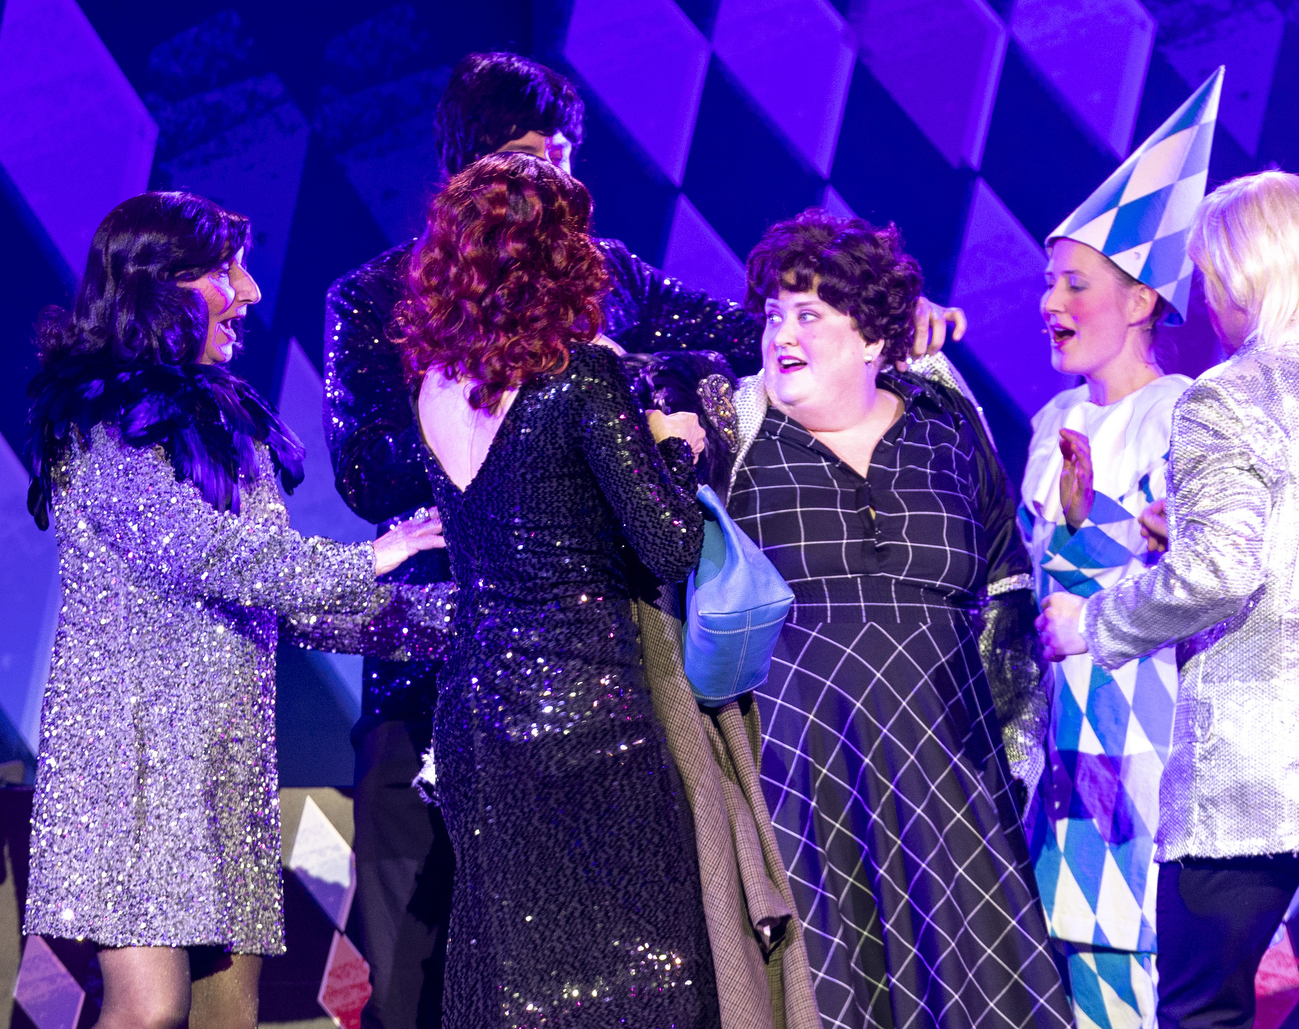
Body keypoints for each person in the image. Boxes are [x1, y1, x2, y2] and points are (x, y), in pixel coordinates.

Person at [322, 51, 964, 1028]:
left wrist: (863, 312)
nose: (554, 180)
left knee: (607, 956)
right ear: (467, 168)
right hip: (442, 670)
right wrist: (541, 416)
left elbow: (744, 335)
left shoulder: (607, 280)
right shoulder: (378, 301)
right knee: (439, 961)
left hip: (609, 662)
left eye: (564, 157)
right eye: (529, 158)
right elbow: (366, 475)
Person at [1036, 171, 1299, 1029]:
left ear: (1242, 274)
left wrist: (1094, 623)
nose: (1205, 297)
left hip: (1254, 776)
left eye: (1209, 274)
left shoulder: (1224, 398)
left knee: (1204, 1016)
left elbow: (1220, 575)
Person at [21, 192, 449, 1029]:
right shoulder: (99, 421)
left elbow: (282, 596)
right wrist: (369, 556)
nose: (250, 292)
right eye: (226, 271)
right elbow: (200, 550)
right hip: (133, 766)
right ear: (158, 284)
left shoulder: (229, 423)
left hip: (225, 763)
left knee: (229, 1017)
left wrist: (460, 619)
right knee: (149, 1012)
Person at [721, 209, 1073, 1028]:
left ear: (875, 337)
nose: (783, 334)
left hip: (949, 782)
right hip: (802, 784)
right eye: (774, 315)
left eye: (810, 314)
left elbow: (1007, 592)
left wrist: (1011, 763)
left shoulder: (945, 423)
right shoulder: (734, 429)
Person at [394, 151, 721, 1026]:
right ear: (561, 259)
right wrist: (677, 445)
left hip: (475, 717)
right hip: (591, 714)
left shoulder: (431, 388)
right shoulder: (581, 377)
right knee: (643, 979)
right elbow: (671, 544)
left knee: (514, 982)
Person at [1019, 72, 1220, 1029]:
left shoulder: (1187, 412)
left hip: (1152, 733)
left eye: (1075, 282)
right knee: (1081, 965)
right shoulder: (1050, 420)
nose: (1050, 300)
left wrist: (1098, 519)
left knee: (1154, 962)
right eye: (1048, 281)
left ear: (1141, 300)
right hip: (1061, 736)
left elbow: (1191, 573)